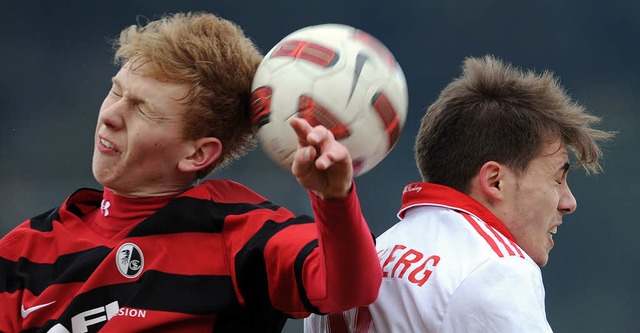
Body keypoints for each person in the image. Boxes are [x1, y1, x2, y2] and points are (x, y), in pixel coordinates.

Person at [0, 12, 382, 333]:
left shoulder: (241, 234)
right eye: (116, 91)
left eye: (142, 108)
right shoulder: (24, 250)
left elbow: (349, 290)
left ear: (197, 154)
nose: (111, 115)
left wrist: (334, 199)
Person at [305, 55, 615, 332]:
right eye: (558, 179)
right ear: (495, 181)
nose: (569, 202)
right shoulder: (497, 268)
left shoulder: (361, 258)